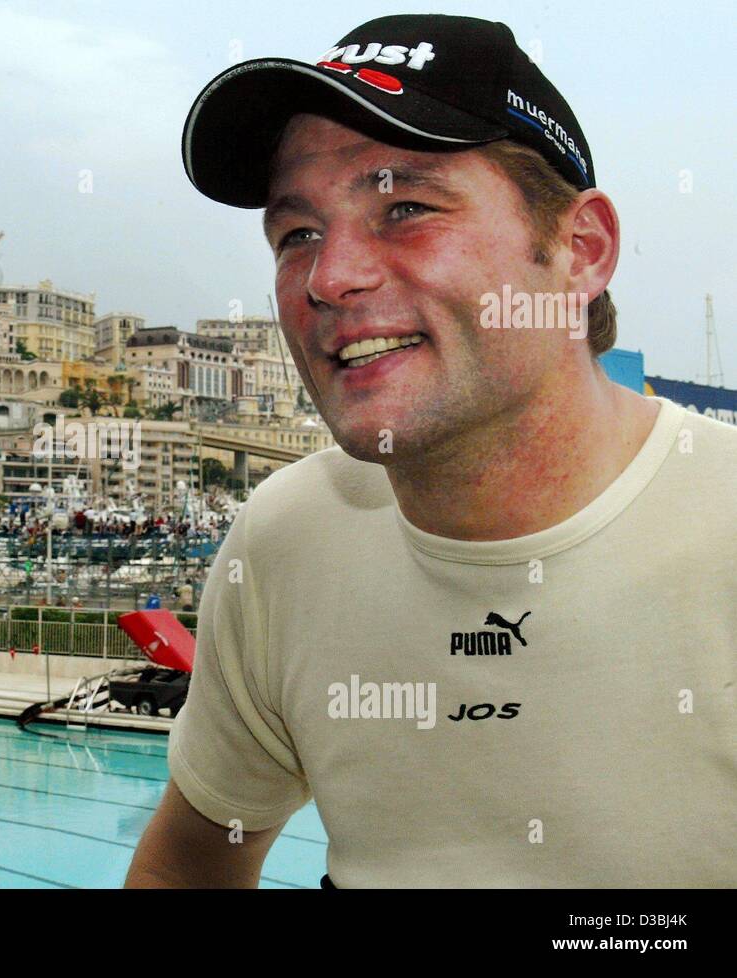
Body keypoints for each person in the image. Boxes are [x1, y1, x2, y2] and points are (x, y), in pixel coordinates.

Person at [126, 14, 737, 888]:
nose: (330, 277)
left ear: (580, 250)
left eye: (405, 209)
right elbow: (190, 863)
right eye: (296, 233)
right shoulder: (287, 542)